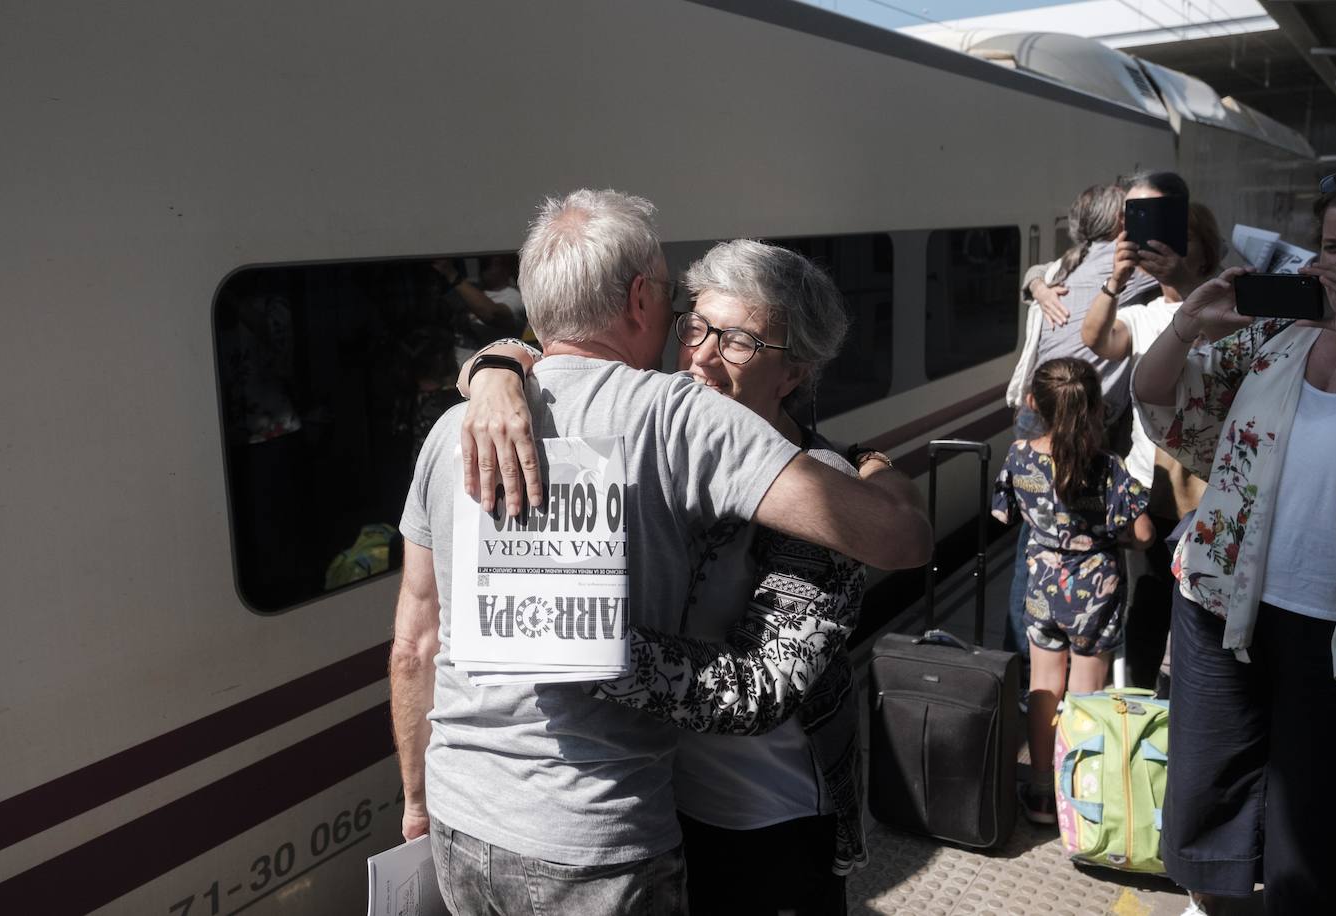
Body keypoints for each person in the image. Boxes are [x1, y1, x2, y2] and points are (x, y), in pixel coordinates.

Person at [388, 190, 931, 916]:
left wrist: (575, 639)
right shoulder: (666, 421)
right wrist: (499, 363)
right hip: (651, 816)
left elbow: (759, 689)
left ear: (795, 371)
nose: (701, 354)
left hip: (758, 829)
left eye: (737, 340)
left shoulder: (728, 446)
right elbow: (571, 359)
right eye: (695, 325)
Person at [1132, 175, 1336, 913]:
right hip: (1223, 598)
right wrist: (1187, 325)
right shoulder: (1280, 334)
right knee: (1206, 816)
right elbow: (1162, 403)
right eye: (1331, 246)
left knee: (1312, 841)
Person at [992, 357, 1153, 824]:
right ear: (1097, 409)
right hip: (1095, 593)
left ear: (1032, 404)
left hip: (1043, 585)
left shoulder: (1020, 454)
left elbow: (1004, 514)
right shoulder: (1107, 467)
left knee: (1043, 687)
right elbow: (1141, 534)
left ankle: (1041, 794)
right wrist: (1110, 533)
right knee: (1087, 695)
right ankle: (1077, 797)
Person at [1003, 183, 1158, 665]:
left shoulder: (1066, 265)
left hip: (1036, 412)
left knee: (1036, 538)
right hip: (1080, 415)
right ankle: (1083, 636)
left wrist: (1035, 284)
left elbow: (1033, 270)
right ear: (1119, 227)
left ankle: (1029, 654)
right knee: (1078, 532)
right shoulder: (1131, 271)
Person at [1082, 189, 1221, 688]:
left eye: (1182, 240)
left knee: (1199, 605)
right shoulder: (1141, 316)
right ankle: (1141, 704)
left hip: (1208, 489)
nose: (1167, 249)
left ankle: (1189, 694)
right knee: (1154, 595)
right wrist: (1115, 281)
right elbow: (1096, 338)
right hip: (1152, 482)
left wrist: (1187, 282)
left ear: (1206, 249)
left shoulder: (1227, 306)